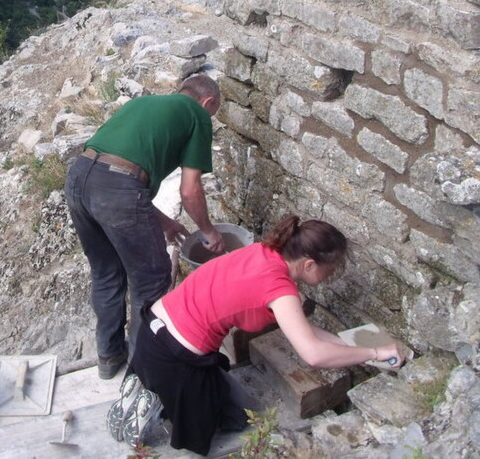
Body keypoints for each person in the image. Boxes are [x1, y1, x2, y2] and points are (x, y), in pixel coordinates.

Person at [113, 215, 405, 454]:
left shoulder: (263, 251)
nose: (332, 275)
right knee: (222, 423)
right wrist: (375, 354)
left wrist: (350, 342)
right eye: (331, 269)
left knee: (223, 397)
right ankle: (158, 404)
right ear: (309, 265)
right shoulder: (280, 291)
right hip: (176, 357)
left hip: (152, 329)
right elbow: (313, 354)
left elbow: (302, 329)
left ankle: (146, 387)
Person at [66, 74, 226, 380]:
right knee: (151, 279)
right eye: (212, 112)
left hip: (79, 178)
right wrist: (208, 231)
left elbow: (116, 167)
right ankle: (142, 372)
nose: (210, 118)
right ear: (208, 102)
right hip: (117, 191)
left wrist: (162, 220)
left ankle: (109, 357)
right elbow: (190, 190)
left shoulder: (145, 103)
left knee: (106, 272)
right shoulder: (197, 116)